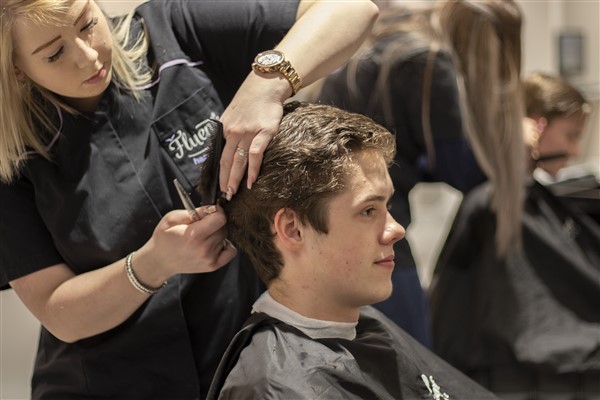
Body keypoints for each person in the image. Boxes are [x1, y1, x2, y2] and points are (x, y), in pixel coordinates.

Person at [0, 0, 378, 398]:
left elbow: (351, 9)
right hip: (107, 384)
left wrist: (266, 85)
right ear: (16, 67)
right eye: (55, 53)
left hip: (245, 367)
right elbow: (59, 312)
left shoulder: (173, 32)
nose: (88, 55)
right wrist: (154, 263)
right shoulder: (12, 158)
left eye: (87, 24)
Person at [201, 101, 499, 400]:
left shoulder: (363, 327)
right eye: (368, 211)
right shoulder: (276, 387)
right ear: (293, 229)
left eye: (387, 206)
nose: (396, 230)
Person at [314, 0, 525, 346]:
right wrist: (516, 141)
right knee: (411, 361)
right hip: (369, 227)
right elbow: (463, 172)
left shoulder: (392, 38)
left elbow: (409, 155)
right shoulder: (429, 63)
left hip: (322, 223)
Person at [429, 73, 600, 398]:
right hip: (524, 373)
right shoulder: (494, 204)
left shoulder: (526, 198)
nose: (575, 150)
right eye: (571, 136)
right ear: (537, 126)